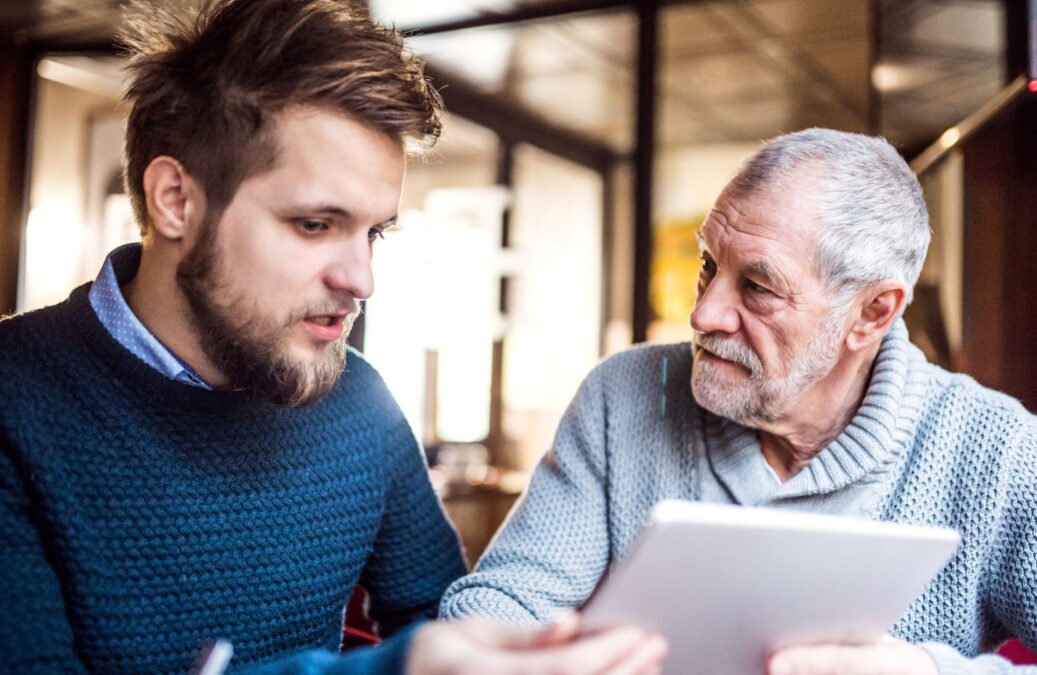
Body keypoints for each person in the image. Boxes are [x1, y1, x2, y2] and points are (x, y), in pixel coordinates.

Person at [0, 0, 667, 673]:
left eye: (374, 232)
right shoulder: (13, 399)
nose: (362, 279)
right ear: (177, 199)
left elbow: (446, 627)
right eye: (315, 224)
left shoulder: (359, 402)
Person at [439, 128, 1037, 672]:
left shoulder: (998, 453)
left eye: (759, 287)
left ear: (871, 313)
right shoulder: (626, 395)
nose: (703, 312)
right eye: (709, 266)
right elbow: (501, 604)